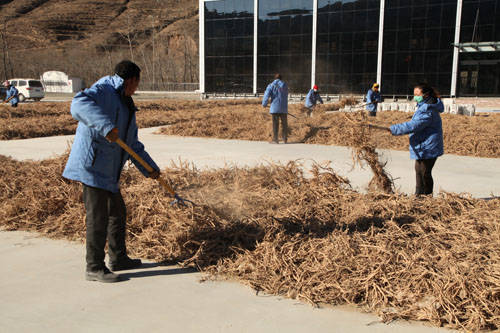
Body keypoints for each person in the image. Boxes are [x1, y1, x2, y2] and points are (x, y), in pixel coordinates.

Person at [63, 60, 161, 283]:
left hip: (109, 171)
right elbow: (78, 105)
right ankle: (94, 267)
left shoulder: (126, 102)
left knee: (117, 213)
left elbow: (132, 144)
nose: (137, 88)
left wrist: (150, 169)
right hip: (93, 165)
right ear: (131, 80)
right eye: (137, 83)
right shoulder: (104, 89)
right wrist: (106, 126)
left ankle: (118, 258)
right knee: (98, 218)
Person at [388, 83, 444, 196]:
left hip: (429, 146)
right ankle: (418, 194)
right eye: (414, 94)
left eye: (417, 94)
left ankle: (427, 196)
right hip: (422, 144)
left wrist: (394, 129)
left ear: (426, 95)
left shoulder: (428, 109)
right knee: (419, 171)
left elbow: (415, 125)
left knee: (424, 172)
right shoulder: (423, 105)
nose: (415, 97)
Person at [262, 73, 288, 144]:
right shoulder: (285, 85)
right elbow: (285, 95)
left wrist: (264, 104)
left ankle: (276, 139)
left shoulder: (271, 85)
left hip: (275, 108)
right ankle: (285, 138)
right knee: (284, 124)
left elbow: (266, 95)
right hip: (284, 108)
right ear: (281, 78)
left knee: (275, 124)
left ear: (275, 78)